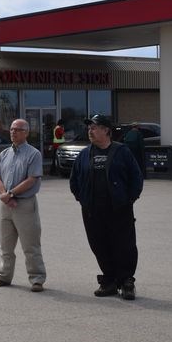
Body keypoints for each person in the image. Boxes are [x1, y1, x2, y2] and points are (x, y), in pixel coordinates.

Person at [70, 114, 143, 300]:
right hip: (92, 211)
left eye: (94, 128)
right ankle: (109, 281)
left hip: (119, 209)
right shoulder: (84, 154)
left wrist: (129, 200)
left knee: (124, 246)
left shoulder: (122, 152)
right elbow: (74, 180)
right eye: (89, 128)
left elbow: (136, 178)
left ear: (106, 130)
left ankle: (126, 281)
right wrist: (82, 199)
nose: (90, 131)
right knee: (99, 245)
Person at [0, 118, 47, 292]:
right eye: (12, 129)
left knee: (30, 245)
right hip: (6, 205)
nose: (13, 132)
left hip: (25, 204)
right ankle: (4, 276)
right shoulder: (4, 154)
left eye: (18, 129)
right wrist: (5, 196)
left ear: (26, 133)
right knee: (6, 244)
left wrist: (12, 193)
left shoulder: (33, 154)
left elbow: (32, 179)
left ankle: (37, 279)